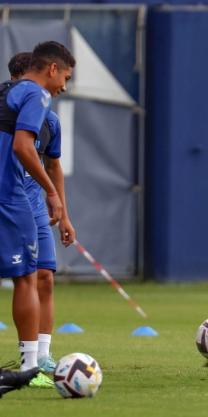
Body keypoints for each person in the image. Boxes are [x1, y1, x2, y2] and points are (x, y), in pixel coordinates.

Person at [0, 41, 74, 387]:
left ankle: (37, 360)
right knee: (26, 277)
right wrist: (50, 193)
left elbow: (49, 159)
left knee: (39, 276)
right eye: (66, 77)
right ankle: (29, 368)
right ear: (53, 69)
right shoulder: (36, 94)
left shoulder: (11, 96)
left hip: (14, 198)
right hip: (10, 196)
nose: (64, 87)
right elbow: (21, 146)